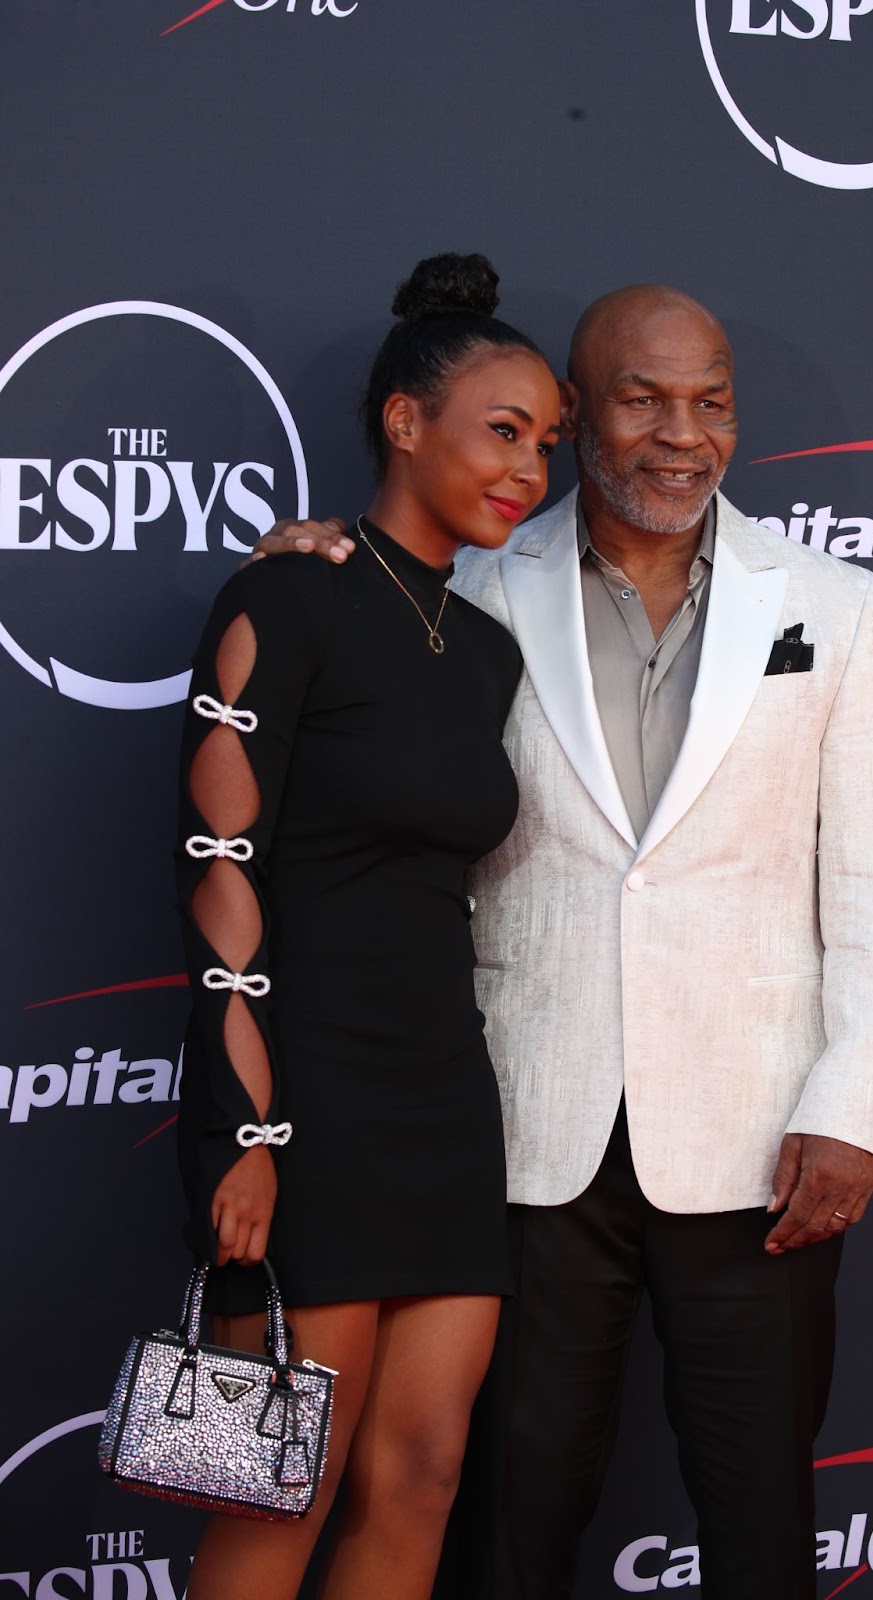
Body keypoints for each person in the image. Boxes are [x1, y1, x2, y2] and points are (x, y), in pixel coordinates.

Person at [254, 283, 873, 1600]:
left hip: (761, 1154)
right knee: (506, 1521)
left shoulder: (836, 606)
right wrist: (311, 569)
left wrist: (853, 1103)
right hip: (519, 1137)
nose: (682, 434)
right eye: (641, 398)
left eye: (712, 401)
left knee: (759, 1522)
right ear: (578, 414)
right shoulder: (463, 589)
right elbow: (345, 672)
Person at [174, 252, 561, 1600]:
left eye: (547, 443)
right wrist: (245, 1134)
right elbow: (218, 880)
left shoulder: (493, 648)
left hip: (446, 1106)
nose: (529, 469)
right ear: (405, 420)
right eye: (501, 430)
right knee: (278, 1486)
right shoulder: (284, 599)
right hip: (302, 1104)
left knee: (423, 1478)